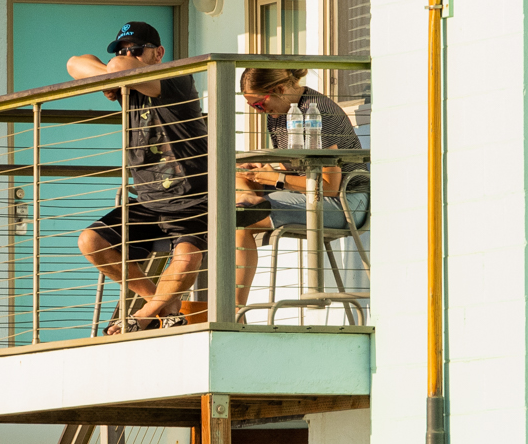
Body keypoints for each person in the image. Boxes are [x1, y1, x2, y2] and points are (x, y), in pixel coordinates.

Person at [69, 22, 213, 331]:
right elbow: (74, 63)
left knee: (188, 257)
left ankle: (144, 316)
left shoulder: (176, 77)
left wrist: (112, 74)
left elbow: (120, 68)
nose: (126, 56)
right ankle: (162, 306)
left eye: (136, 50)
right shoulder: (127, 84)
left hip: (193, 200)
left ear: (159, 53)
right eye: (122, 50)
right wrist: (111, 75)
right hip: (149, 201)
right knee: (90, 240)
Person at [233, 67, 363, 307]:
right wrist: (263, 171)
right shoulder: (280, 114)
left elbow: (330, 186)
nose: (260, 112)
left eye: (259, 105)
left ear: (280, 89)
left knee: (239, 222)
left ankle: (234, 310)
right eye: (252, 107)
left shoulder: (317, 112)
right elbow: (296, 169)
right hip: (312, 194)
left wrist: (275, 179)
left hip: (347, 201)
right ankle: (249, 201)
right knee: (238, 177)